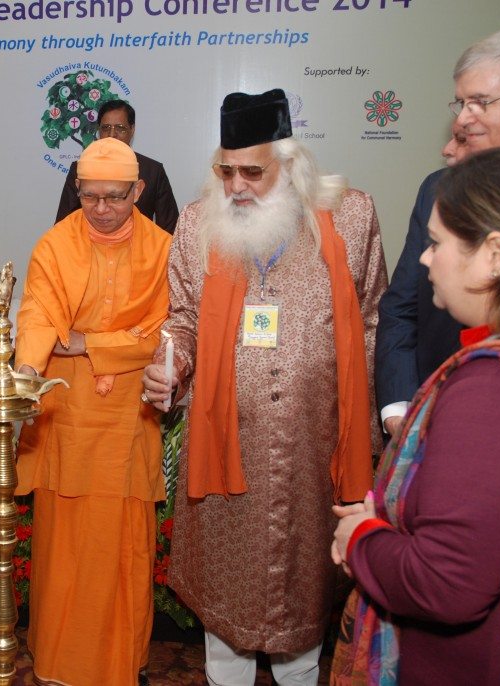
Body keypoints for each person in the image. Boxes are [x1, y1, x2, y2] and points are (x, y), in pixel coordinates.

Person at [141, 88, 386, 685]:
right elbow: (185, 318)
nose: (236, 186)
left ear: (291, 163)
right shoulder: (200, 223)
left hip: (313, 453)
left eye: (253, 171)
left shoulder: (350, 217)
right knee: (226, 627)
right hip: (226, 458)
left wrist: (370, 433)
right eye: (226, 171)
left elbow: (374, 319)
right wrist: (170, 364)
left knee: (302, 615)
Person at [331, 147, 500, 686]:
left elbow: (445, 582)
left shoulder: (489, 390)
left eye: (437, 243)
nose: (426, 260)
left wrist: (361, 538)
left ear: (497, 254)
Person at [15, 136, 171, 686]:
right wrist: (29, 369)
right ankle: (61, 664)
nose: (101, 210)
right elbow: (38, 313)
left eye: (115, 197)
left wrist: (90, 344)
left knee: (124, 547)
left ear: (139, 191)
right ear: (76, 190)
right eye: (90, 196)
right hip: (67, 413)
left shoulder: (163, 250)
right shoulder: (55, 246)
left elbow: (160, 334)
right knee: (65, 549)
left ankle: (123, 664)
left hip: (129, 415)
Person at [376, 27, 500, 437]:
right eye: (462, 102)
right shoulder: (436, 190)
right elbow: (401, 307)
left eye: (480, 102)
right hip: (436, 414)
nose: (463, 117)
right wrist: (400, 406)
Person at [55, 100, 179, 233]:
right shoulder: (80, 168)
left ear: (132, 130)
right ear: (98, 131)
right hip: (87, 249)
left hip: (138, 249)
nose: (112, 135)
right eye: (106, 128)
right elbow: (63, 225)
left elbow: (170, 228)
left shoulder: (153, 171)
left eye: (120, 128)